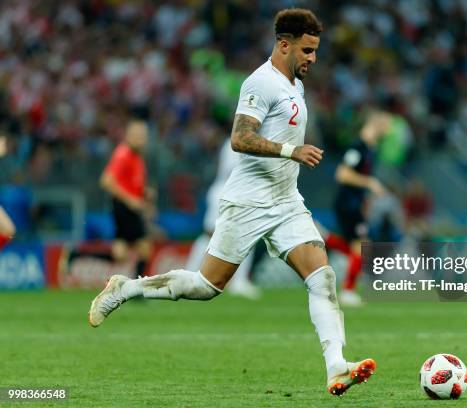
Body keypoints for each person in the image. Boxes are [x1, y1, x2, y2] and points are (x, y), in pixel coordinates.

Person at [89, 9, 376, 397]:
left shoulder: (296, 85)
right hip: (249, 201)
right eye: (307, 50)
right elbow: (240, 138)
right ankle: (127, 288)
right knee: (208, 286)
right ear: (283, 44)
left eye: (316, 51)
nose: (313, 59)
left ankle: (336, 365)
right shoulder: (261, 83)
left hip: (285, 200)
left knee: (322, 277)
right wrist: (292, 150)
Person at [327, 111, 391, 306]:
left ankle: (326, 239)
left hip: (354, 204)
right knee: (362, 246)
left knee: (360, 248)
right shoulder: (358, 148)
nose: (388, 131)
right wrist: (369, 183)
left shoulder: (370, 149)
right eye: (386, 126)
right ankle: (348, 291)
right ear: (376, 124)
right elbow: (342, 174)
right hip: (347, 203)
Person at [185, 138, 261, 300]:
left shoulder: (256, 139)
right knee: (210, 234)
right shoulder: (237, 139)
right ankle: (190, 273)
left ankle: (239, 282)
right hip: (225, 192)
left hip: (242, 195)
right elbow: (231, 170)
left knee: (246, 235)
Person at [99, 120, 153, 278]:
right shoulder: (123, 154)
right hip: (124, 208)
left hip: (129, 208)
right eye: (137, 135)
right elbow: (106, 181)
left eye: (143, 135)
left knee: (120, 253)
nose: (141, 139)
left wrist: (144, 193)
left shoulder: (137, 157)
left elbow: (132, 183)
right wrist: (131, 200)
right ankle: (137, 289)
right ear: (128, 136)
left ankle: (76, 255)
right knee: (144, 248)